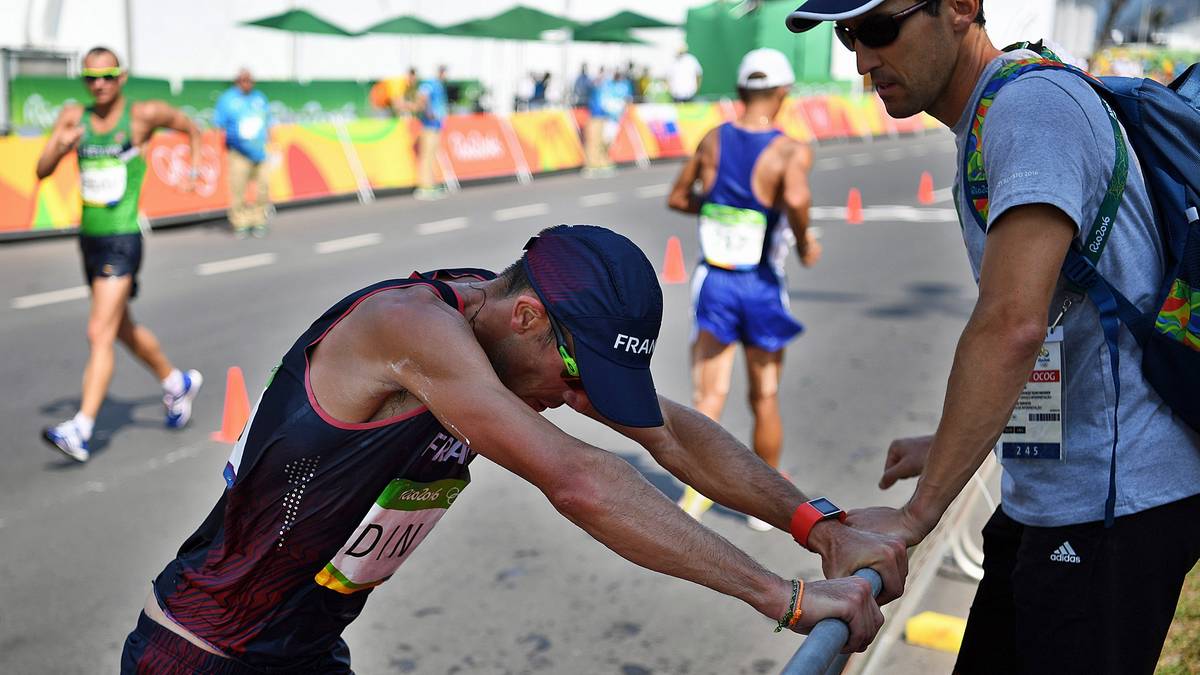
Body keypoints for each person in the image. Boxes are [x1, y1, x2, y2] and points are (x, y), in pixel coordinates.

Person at [121, 225, 908, 673]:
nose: (575, 395)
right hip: (202, 652)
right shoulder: (411, 328)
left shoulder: (519, 330)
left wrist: (822, 525)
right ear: (527, 317)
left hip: (308, 648)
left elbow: (667, 431)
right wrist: (785, 596)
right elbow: (576, 478)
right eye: (574, 376)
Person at [787, 1, 1200, 673]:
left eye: (881, 28)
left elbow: (1012, 325)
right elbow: (1062, 325)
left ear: (960, 7)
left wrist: (917, 515)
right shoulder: (995, 112)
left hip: (1114, 500)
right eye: (848, 34)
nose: (862, 60)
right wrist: (953, 441)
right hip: (1060, 493)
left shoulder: (1028, 110)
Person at [666, 49, 820, 531]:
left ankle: (696, 493)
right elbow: (795, 197)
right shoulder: (788, 150)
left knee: (708, 395)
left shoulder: (712, 140)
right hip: (761, 284)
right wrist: (805, 239)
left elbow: (676, 196)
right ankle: (767, 504)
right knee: (764, 394)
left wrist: (714, 212)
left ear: (739, 92)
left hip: (714, 280)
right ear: (781, 94)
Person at [35, 46, 203, 463]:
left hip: (123, 239)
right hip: (89, 239)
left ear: (122, 76)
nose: (99, 84)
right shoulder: (74, 117)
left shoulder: (143, 115)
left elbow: (190, 127)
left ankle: (82, 428)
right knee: (120, 327)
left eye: (108, 76)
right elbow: (41, 170)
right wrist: (61, 145)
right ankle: (176, 382)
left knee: (99, 331)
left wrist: (194, 169)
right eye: (91, 78)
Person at [214, 68, 272, 238]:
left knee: (263, 187)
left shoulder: (259, 98)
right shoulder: (227, 99)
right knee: (238, 189)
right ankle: (240, 222)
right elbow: (220, 124)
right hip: (238, 151)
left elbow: (267, 121)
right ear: (237, 81)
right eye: (243, 80)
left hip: (260, 150)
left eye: (250, 80)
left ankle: (258, 219)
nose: (247, 83)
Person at [413, 65, 449, 200]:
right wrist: (428, 112)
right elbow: (422, 97)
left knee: (432, 156)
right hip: (429, 126)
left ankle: (430, 184)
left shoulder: (439, 85)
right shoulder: (430, 83)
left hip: (436, 126)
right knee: (426, 157)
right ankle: (424, 187)